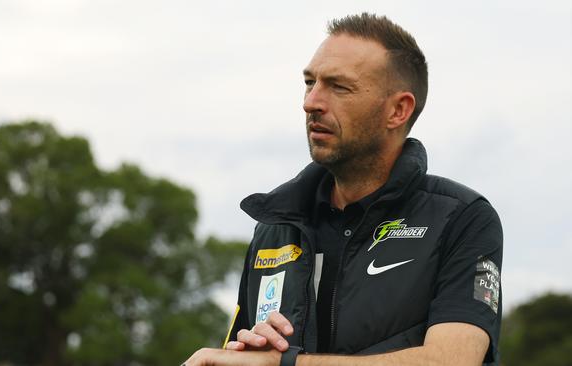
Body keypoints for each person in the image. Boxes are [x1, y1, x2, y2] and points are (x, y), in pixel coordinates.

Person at [185, 13, 502, 366]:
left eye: (339, 87)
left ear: (398, 110)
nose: (311, 102)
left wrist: (284, 364)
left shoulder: (462, 218)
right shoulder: (275, 227)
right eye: (310, 82)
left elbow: (452, 361)